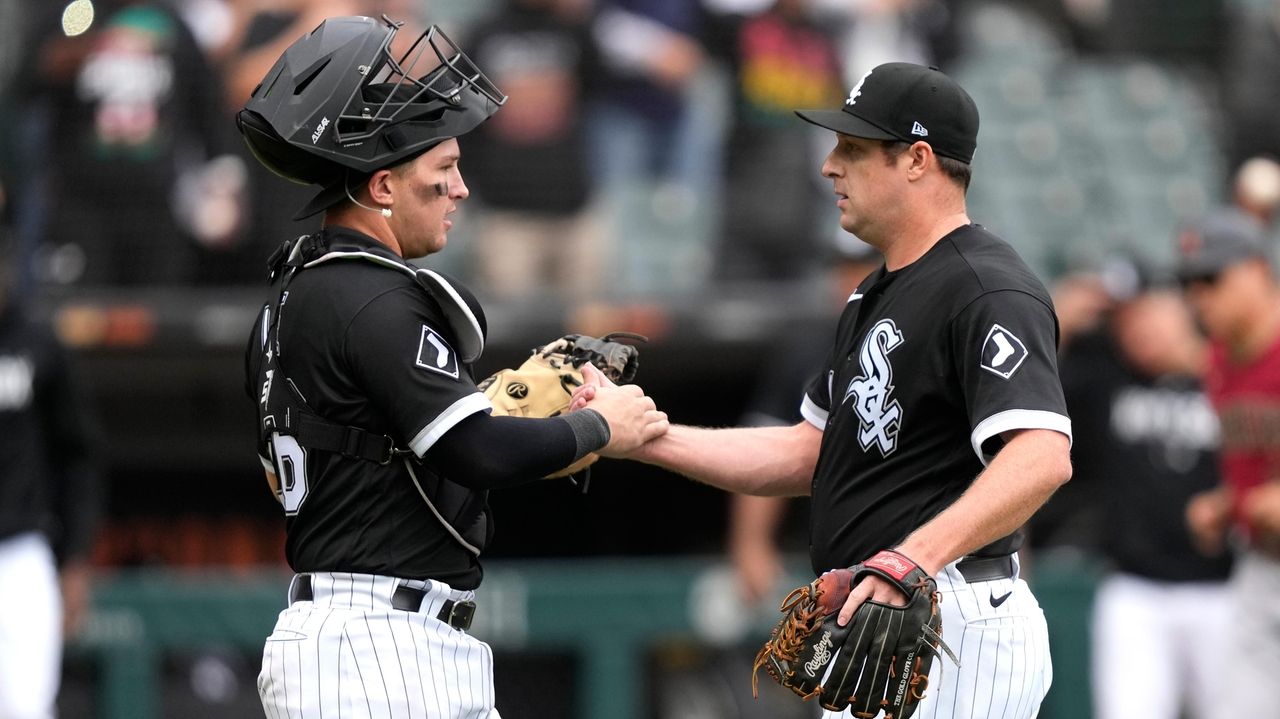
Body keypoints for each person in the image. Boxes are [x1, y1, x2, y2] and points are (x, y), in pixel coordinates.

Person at [576, 62, 1073, 718]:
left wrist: (910, 559)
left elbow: (1042, 454)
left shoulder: (985, 287)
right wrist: (645, 437)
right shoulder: (873, 294)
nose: (829, 166)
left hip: (950, 617)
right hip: (887, 606)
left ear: (918, 160)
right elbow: (806, 452)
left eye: (855, 150)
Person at [236, 16, 667, 718]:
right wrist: (599, 426)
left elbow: (335, 457)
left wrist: (472, 406)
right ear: (381, 187)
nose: (461, 189)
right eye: (444, 170)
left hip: (384, 638)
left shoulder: (296, 292)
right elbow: (479, 449)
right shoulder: (367, 292)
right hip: (374, 648)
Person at [1041, 260, 1230, 719]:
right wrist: (1054, 321)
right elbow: (1033, 403)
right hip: (1134, 590)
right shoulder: (1107, 378)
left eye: (1147, 312)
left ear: (1180, 308)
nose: (1137, 329)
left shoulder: (1227, 373)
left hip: (1225, 589)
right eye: (1124, 320)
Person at [0, 204, 102, 718]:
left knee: (25, 706)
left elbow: (78, 457)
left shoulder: (39, 345)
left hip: (21, 554)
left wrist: (75, 559)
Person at [1178, 208, 1280, 719]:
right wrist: (1226, 504)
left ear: (1258, 271)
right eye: (1193, 283)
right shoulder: (1218, 359)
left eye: (1214, 278)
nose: (1200, 296)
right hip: (1261, 567)